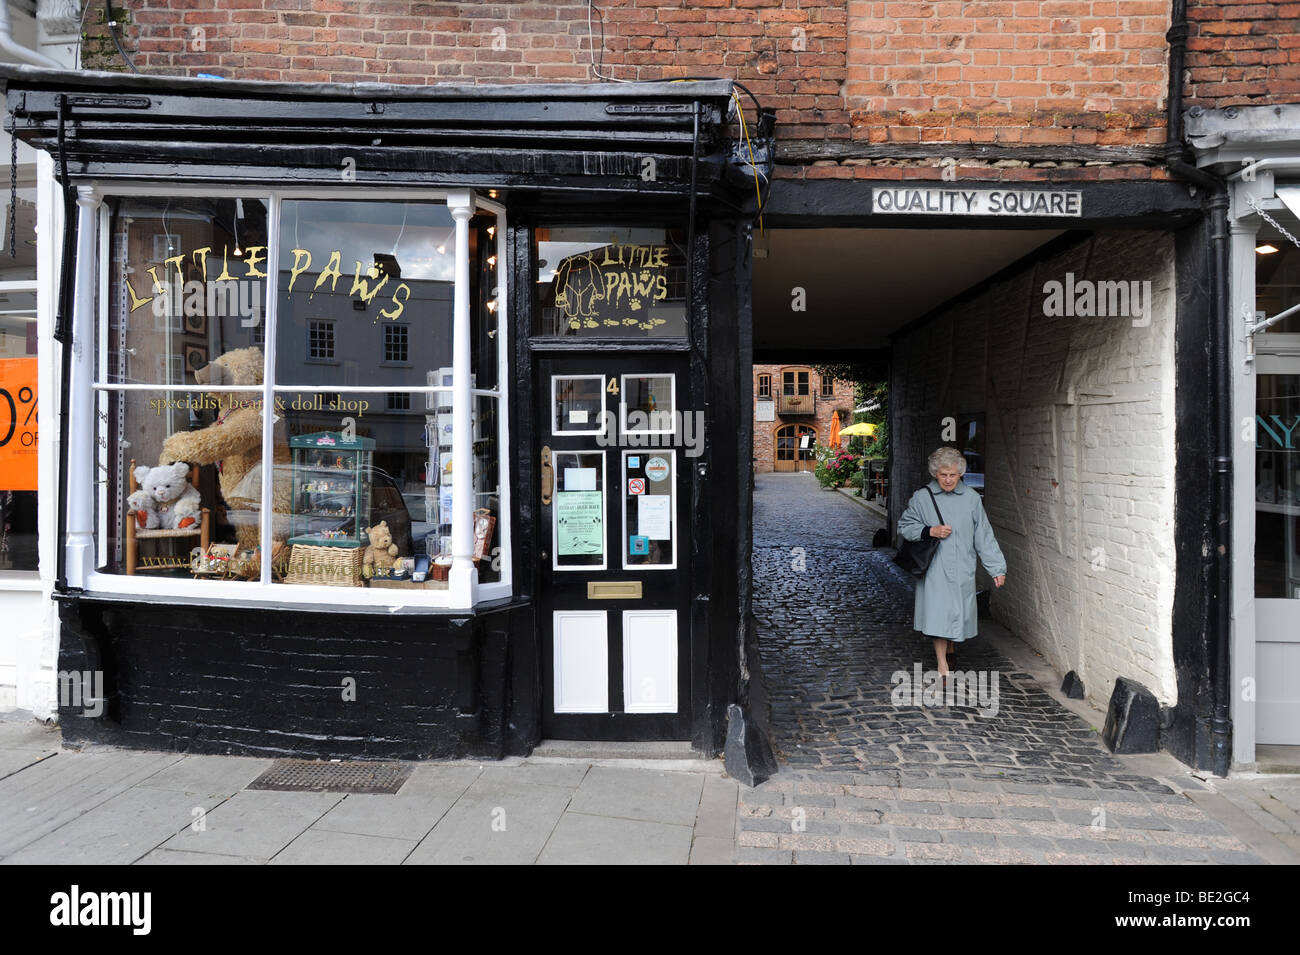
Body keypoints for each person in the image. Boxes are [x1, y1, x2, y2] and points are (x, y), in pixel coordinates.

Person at [897, 446, 1007, 677]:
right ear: (935, 473)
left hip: (963, 568)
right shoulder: (922, 497)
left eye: (953, 475)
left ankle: (951, 647)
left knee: (956, 614)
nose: (947, 480)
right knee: (939, 614)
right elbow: (904, 526)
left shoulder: (971, 499)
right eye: (942, 475)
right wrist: (930, 531)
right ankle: (942, 664)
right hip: (935, 569)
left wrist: (997, 568)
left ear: (961, 474)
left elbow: (983, 536)